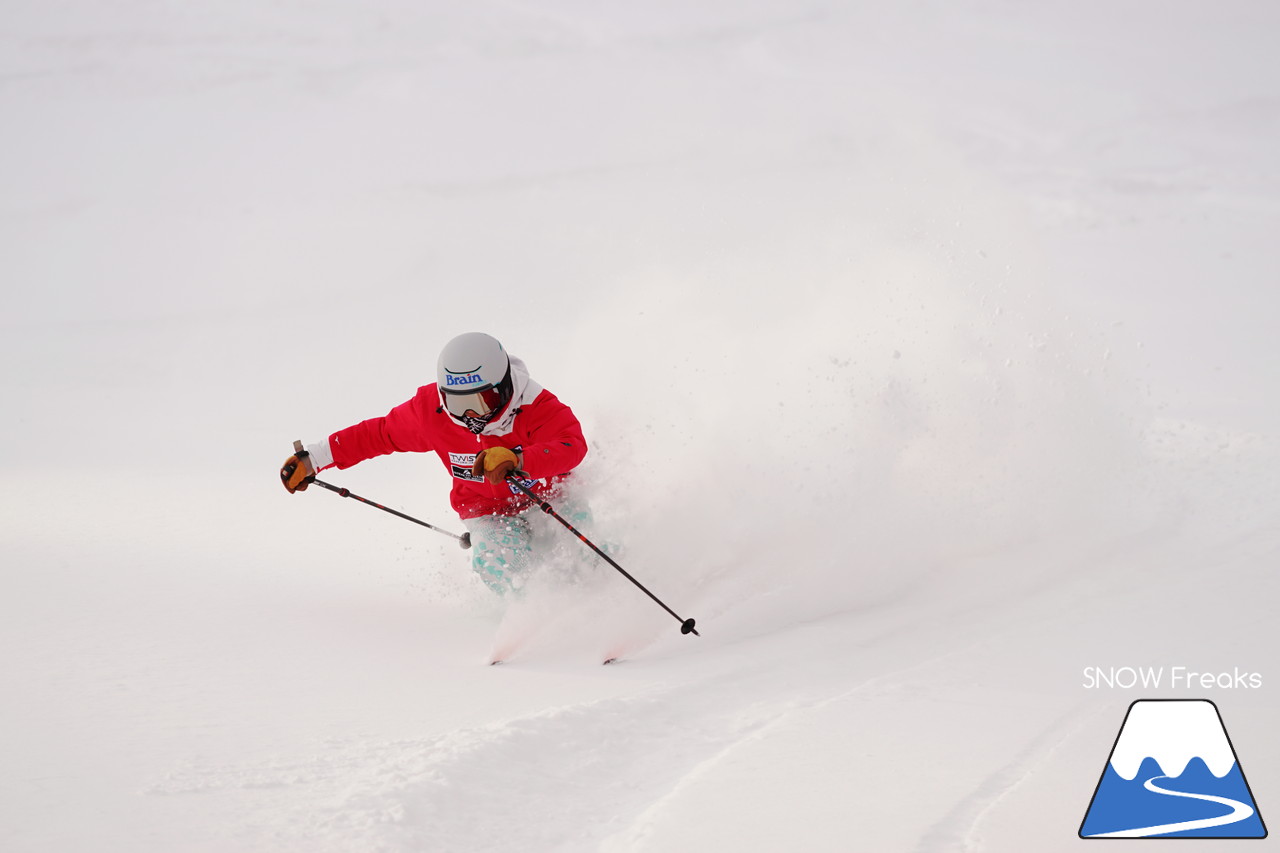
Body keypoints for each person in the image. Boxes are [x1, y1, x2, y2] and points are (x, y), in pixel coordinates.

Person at [280, 332, 588, 594]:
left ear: (504, 387)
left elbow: (572, 445)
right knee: (500, 563)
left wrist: (519, 459)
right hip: (486, 509)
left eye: (481, 403)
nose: (471, 416)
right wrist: (315, 459)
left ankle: (604, 600)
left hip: (550, 496)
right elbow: (381, 433)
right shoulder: (432, 412)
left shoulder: (535, 404)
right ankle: (539, 619)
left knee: (588, 549)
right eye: (459, 403)